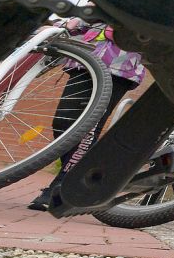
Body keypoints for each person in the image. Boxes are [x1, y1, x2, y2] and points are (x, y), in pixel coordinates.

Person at [28, 18, 145, 211]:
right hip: (84, 62)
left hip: (119, 68)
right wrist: (57, 26)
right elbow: (81, 21)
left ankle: (62, 187)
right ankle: (80, 179)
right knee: (62, 121)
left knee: (90, 127)